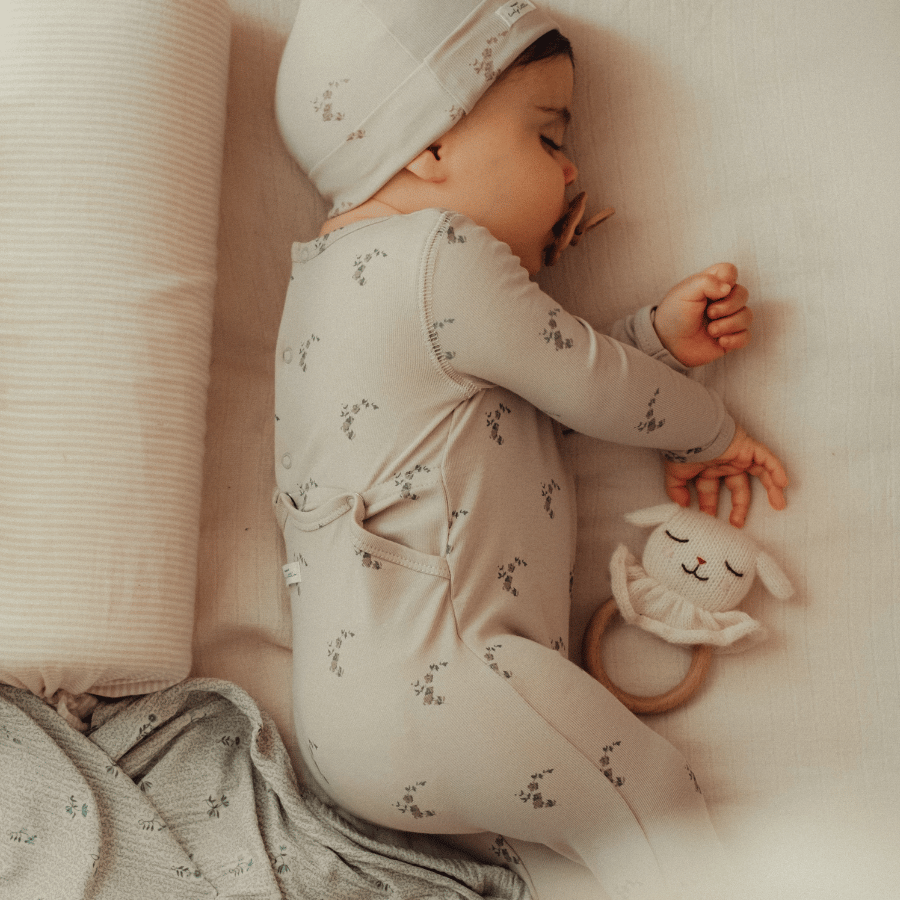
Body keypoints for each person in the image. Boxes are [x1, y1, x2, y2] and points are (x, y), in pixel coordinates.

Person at [273, 2, 787, 897]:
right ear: (429, 144)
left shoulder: (325, 284)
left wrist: (655, 344)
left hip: (353, 722)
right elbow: (586, 384)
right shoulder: (439, 251)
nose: (574, 169)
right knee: (655, 805)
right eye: (549, 137)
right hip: (454, 680)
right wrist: (711, 428)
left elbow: (519, 414)